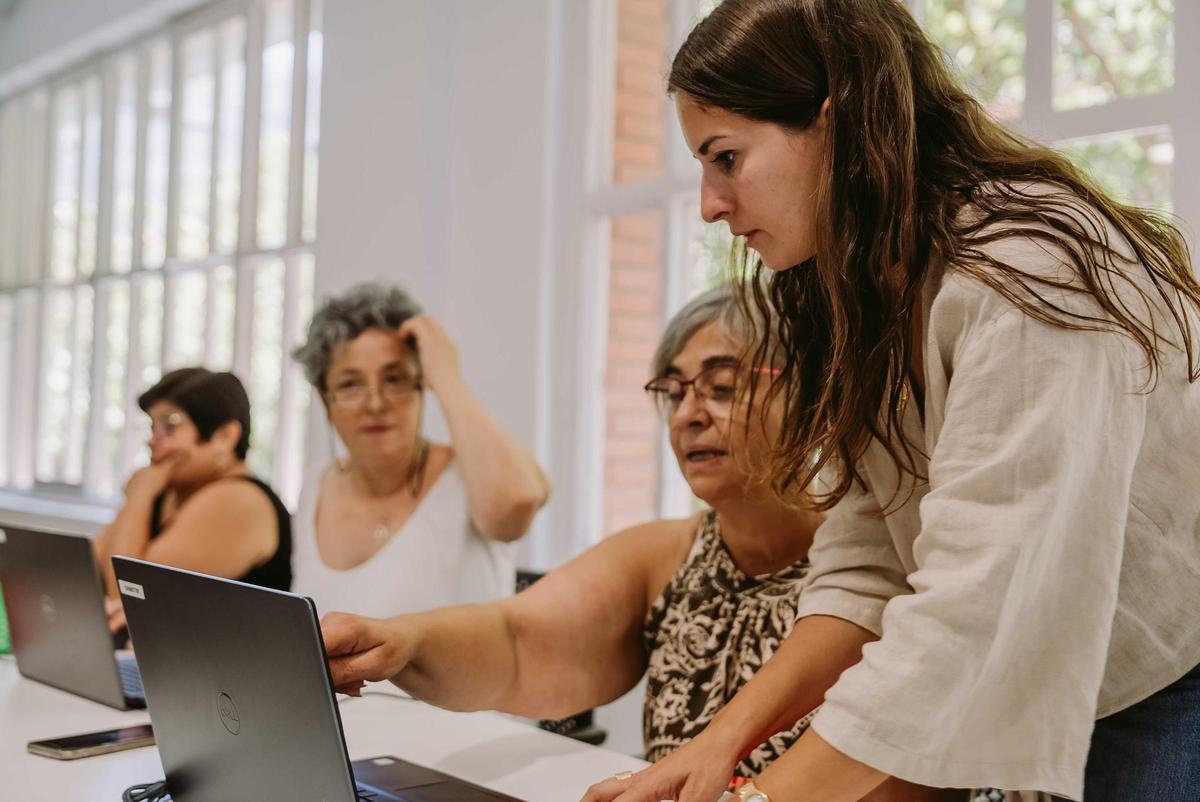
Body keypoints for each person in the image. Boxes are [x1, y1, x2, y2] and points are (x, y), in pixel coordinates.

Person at [582, 2, 1200, 802]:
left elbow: (974, 603)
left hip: (1167, 682)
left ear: (835, 121)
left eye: (726, 157)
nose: (709, 203)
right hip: (1059, 675)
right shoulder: (876, 284)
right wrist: (721, 743)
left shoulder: (1029, 272)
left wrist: (762, 795)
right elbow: (868, 564)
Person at [318, 286, 949, 800]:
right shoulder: (663, 556)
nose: (688, 414)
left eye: (721, 386)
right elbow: (517, 642)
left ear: (811, 395)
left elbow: (910, 773)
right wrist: (403, 642)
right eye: (674, 392)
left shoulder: (884, 563)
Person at [289, 283, 549, 617]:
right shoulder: (315, 487)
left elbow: (516, 503)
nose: (375, 403)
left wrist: (446, 373)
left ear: (422, 384)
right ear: (325, 400)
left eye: (395, 379)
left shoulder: (469, 477)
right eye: (350, 385)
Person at [95, 368, 292, 631]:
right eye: (152, 427)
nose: (153, 441)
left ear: (224, 436)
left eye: (169, 426)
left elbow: (128, 600)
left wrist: (138, 497)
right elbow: (89, 570)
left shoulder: (239, 500)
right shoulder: (170, 491)